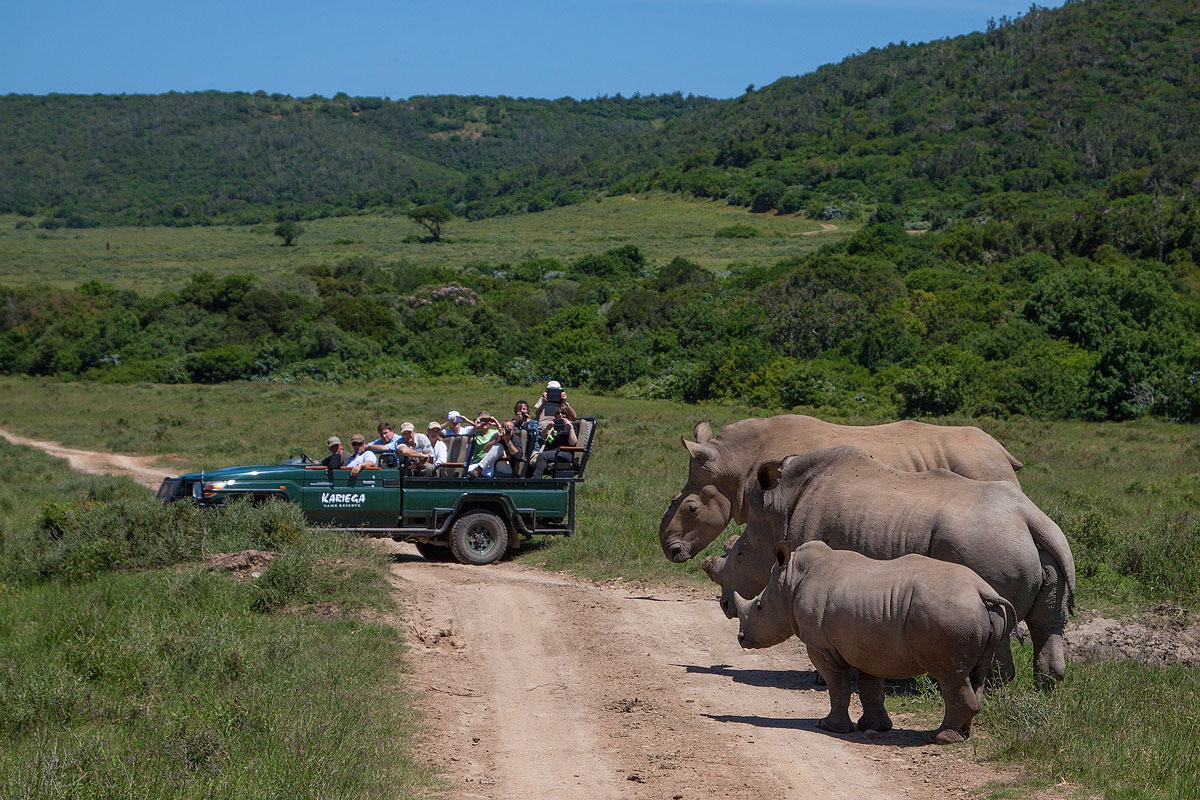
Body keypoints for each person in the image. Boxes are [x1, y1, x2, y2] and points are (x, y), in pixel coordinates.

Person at [530, 406, 578, 478]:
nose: (560, 415)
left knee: (543, 456)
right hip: (552, 452)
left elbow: (573, 443)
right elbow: (542, 437)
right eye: (558, 413)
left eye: (563, 413)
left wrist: (570, 427)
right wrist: (547, 428)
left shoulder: (571, 427)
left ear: (567, 415)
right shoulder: (553, 427)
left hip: (565, 453)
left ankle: (536, 478)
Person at [466, 412, 504, 478]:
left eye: (486, 421)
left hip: (491, 464)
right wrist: (475, 427)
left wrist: (496, 422)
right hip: (477, 463)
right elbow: (466, 440)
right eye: (482, 421)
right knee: (465, 471)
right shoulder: (476, 434)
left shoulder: (494, 432)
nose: (484, 423)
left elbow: (503, 433)